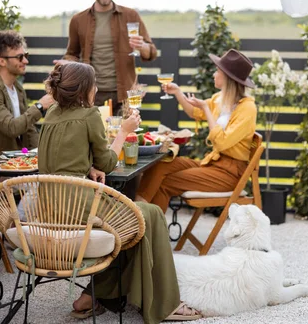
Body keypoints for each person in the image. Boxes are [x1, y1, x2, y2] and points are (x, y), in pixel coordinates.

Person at [38, 62, 201, 323]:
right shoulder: (89, 114)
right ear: (85, 89)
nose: (97, 88)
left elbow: (60, 157)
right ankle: (166, 304)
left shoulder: (53, 113)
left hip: (49, 207)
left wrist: (86, 167)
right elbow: (109, 163)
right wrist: (124, 131)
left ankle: (94, 295)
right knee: (150, 213)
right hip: (78, 207)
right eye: (95, 85)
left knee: (130, 220)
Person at [136, 49, 257, 212]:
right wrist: (178, 92)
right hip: (212, 163)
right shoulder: (221, 99)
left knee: (164, 182)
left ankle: (142, 222)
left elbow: (221, 143)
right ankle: (139, 214)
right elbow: (195, 112)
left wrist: (206, 109)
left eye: (217, 71)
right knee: (160, 165)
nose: (214, 74)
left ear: (228, 78)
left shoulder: (247, 108)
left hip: (228, 174)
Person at [55, 0, 158, 112]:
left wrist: (142, 46)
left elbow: (151, 53)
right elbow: (72, 53)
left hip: (125, 95)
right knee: (93, 135)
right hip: (90, 93)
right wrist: (66, 64)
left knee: (126, 134)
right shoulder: (78, 20)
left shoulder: (131, 15)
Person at [0, 30, 54, 168]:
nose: (26, 61)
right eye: (20, 57)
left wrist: (46, 155)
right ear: (2, 61)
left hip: (13, 163)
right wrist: (39, 106)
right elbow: (11, 127)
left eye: (25, 55)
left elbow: (28, 129)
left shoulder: (17, 89)